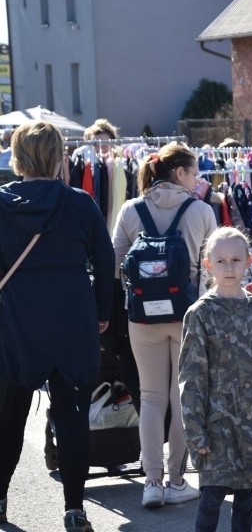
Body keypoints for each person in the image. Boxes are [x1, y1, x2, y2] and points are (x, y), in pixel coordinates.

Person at [0, 121, 114, 531]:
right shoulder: (80, 204)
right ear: (58, 157)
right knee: (72, 416)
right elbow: (105, 263)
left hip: (15, 323)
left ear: (18, 157)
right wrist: (102, 312)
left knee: (8, 417)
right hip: (71, 319)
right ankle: (74, 508)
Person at [112, 142, 217, 508]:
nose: (198, 178)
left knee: (152, 398)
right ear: (179, 173)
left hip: (142, 317)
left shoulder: (130, 209)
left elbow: (116, 264)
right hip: (187, 314)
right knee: (180, 396)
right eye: (194, 172)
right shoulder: (201, 210)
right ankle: (176, 481)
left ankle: (151, 483)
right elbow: (213, 268)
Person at [179, 227, 252, 532]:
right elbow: (191, 378)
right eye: (222, 261)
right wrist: (195, 432)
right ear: (208, 264)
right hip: (216, 425)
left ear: (249, 261)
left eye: (236, 260)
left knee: (246, 494)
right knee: (212, 495)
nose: (229, 267)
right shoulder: (200, 314)